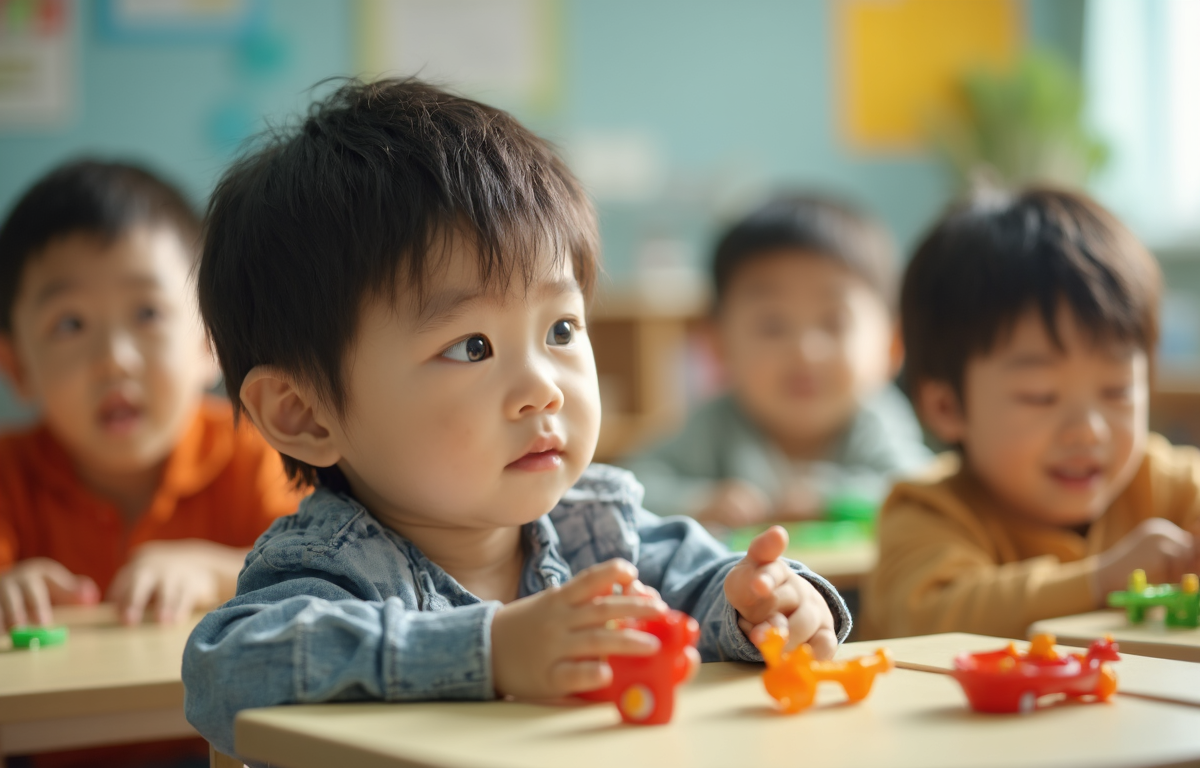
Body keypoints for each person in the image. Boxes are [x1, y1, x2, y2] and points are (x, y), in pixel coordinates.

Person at [180, 79, 851, 758]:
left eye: (561, 328)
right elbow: (225, 668)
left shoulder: (598, 528)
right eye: (472, 347)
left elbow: (707, 585)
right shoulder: (332, 571)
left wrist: (762, 606)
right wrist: (489, 651)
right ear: (305, 414)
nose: (543, 389)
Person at [0, 159, 305, 767]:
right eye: (70, 324)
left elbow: (327, 579)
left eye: (147, 314)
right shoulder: (9, 474)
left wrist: (217, 571)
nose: (114, 360)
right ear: (18, 368)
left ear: (208, 342)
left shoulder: (257, 451)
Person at [862, 186, 1200, 640]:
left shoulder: (1168, 485)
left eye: (1117, 391)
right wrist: (1102, 579)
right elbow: (930, 615)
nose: (1088, 430)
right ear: (947, 407)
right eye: (1040, 396)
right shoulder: (927, 512)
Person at [622, 195, 932, 529]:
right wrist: (698, 502)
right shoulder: (714, 424)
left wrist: (832, 499)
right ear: (718, 343)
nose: (805, 351)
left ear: (893, 344)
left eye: (834, 323)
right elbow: (631, 489)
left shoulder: (876, 420)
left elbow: (919, 491)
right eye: (772, 326)